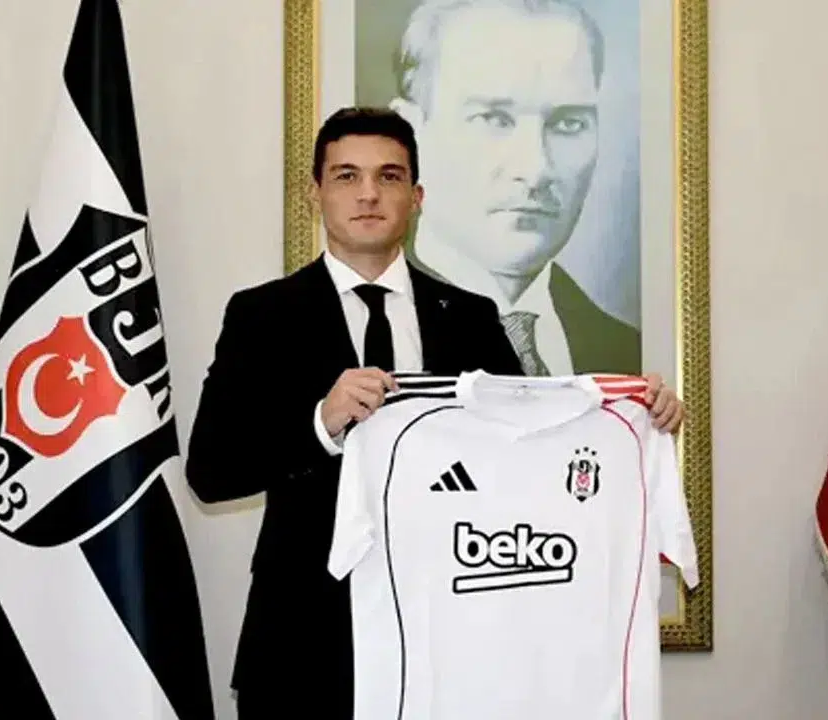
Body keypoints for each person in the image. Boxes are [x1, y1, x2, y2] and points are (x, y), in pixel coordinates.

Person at [184, 107, 685, 720]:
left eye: (389, 176)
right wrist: (321, 422)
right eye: (346, 175)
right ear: (316, 193)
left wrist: (632, 414)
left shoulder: (471, 316)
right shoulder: (261, 315)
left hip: (454, 642)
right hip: (306, 642)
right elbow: (211, 471)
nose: (368, 193)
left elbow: (529, 451)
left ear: (416, 197)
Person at [388, 0, 640, 376]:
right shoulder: (354, 334)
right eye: (493, 118)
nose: (535, 169)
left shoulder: (626, 355)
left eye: (568, 123)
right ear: (409, 134)